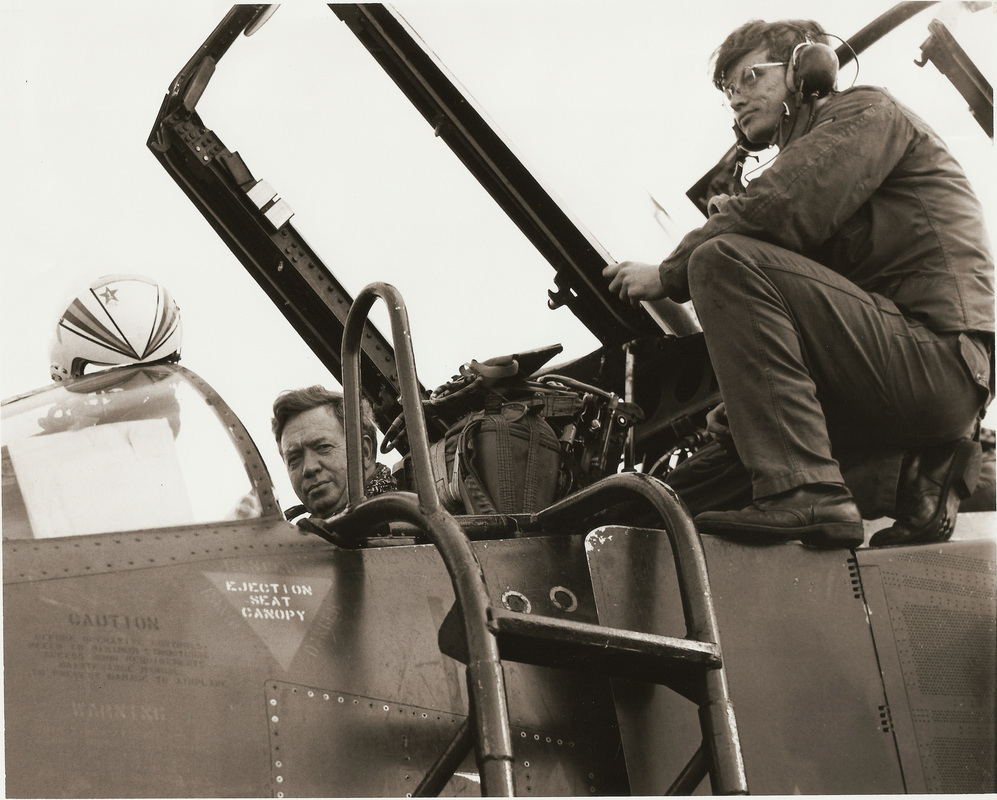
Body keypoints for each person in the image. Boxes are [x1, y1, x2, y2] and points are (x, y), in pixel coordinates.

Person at [604, 19, 993, 548]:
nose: (736, 99)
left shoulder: (868, 113)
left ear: (805, 69)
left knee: (720, 259)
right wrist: (749, 402)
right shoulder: (814, 164)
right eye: (727, 91)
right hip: (889, 369)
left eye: (748, 78)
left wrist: (668, 273)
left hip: (936, 361)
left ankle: (810, 497)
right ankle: (909, 479)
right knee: (682, 492)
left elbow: (782, 207)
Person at [272, 385, 397, 519]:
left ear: (364, 451)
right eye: (294, 459)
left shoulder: (407, 518)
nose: (308, 468)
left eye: (323, 447)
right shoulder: (303, 535)